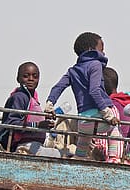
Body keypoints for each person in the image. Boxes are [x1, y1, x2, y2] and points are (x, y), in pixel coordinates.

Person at [43, 32, 121, 162]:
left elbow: (58, 87)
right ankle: (114, 159)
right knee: (114, 130)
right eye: (101, 50)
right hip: (99, 117)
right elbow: (94, 91)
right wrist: (107, 114)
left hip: (83, 120)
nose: (104, 54)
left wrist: (49, 104)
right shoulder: (95, 65)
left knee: (82, 147)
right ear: (91, 50)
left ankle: (79, 160)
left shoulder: (72, 70)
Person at [0, 62, 59, 157]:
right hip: (24, 145)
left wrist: (45, 120)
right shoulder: (20, 97)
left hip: (35, 144)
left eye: (35, 76)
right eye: (26, 76)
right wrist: (38, 125)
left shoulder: (33, 98)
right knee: (57, 154)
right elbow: (12, 122)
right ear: (18, 79)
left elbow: (30, 118)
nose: (31, 79)